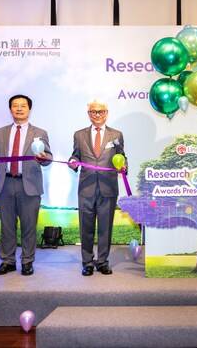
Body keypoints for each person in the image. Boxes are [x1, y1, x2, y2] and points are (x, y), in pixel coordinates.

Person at [0, 94, 52, 276]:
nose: (19, 108)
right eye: (15, 106)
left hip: (30, 185)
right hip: (5, 183)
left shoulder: (40, 133)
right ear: (10, 109)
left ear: (29, 109)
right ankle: (7, 261)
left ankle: (27, 262)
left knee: (29, 226)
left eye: (23, 106)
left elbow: (48, 158)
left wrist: (44, 158)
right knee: (7, 226)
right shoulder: (0, 132)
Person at [69, 100, 126, 276]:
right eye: (93, 112)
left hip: (108, 188)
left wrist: (123, 167)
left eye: (101, 111)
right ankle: (87, 262)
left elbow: (122, 157)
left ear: (106, 113)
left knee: (105, 228)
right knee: (85, 228)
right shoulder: (79, 135)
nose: (97, 114)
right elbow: (75, 155)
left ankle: (102, 261)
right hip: (86, 188)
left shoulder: (116, 134)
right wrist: (72, 162)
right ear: (89, 114)